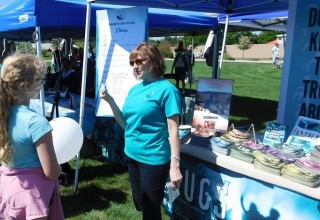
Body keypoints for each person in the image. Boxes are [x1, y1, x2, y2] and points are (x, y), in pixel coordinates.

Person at [100, 41, 183, 220]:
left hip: (153, 159)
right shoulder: (135, 90)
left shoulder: (168, 90)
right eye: (132, 63)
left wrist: (174, 165)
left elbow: (173, 130)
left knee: (150, 211)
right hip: (132, 155)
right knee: (140, 202)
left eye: (139, 61)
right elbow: (126, 124)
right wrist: (110, 101)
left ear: (153, 61)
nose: (135, 66)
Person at [0, 54, 64, 219]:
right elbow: (51, 171)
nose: (42, 85)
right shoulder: (35, 122)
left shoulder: (3, 114)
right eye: (40, 81)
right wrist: (60, 169)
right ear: (26, 85)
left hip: (8, 188)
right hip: (33, 196)